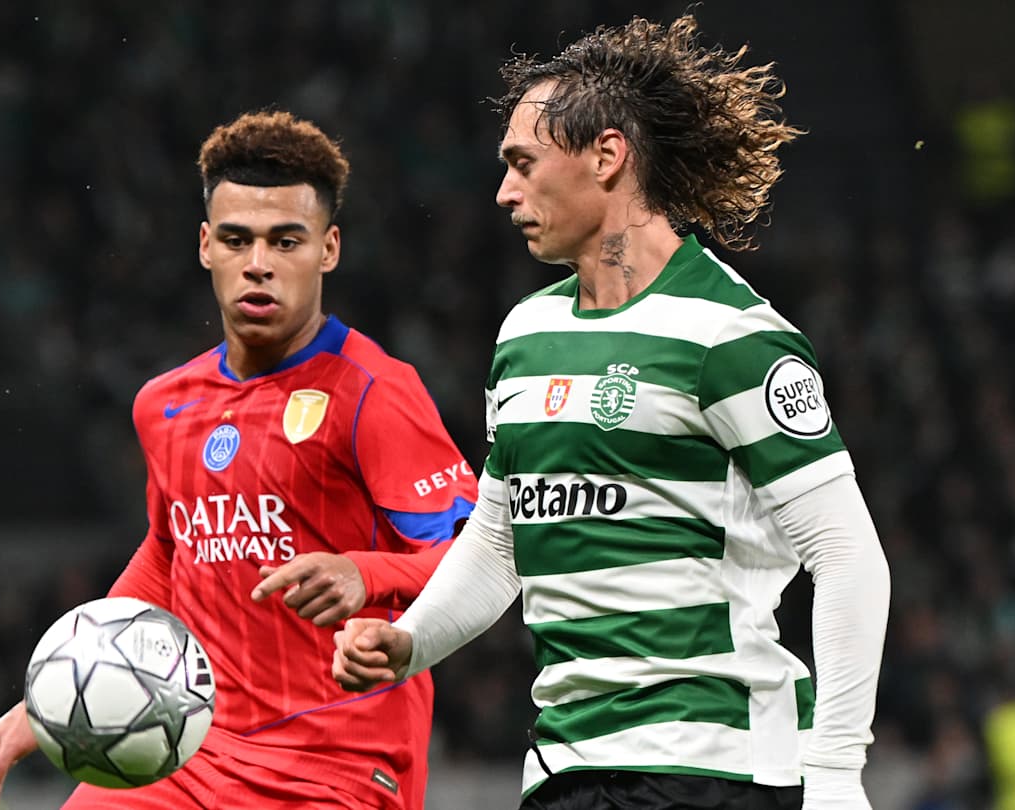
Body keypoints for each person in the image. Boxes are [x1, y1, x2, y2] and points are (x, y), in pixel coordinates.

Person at [334, 15, 890, 810]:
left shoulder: (730, 337)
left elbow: (847, 556)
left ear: (606, 156)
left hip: (713, 766)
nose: (504, 192)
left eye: (523, 164)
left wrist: (834, 772)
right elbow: (501, 542)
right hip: (566, 768)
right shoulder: (526, 336)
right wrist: (410, 640)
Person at [0, 110, 477, 810]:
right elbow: (171, 554)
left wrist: (365, 572)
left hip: (336, 766)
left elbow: (478, 557)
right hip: (194, 755)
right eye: (236, 239)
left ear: (329, 249)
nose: (258, 263)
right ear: (205, 246)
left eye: (285, 240)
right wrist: (51, 702)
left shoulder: (375, 393)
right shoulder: (166, 404)